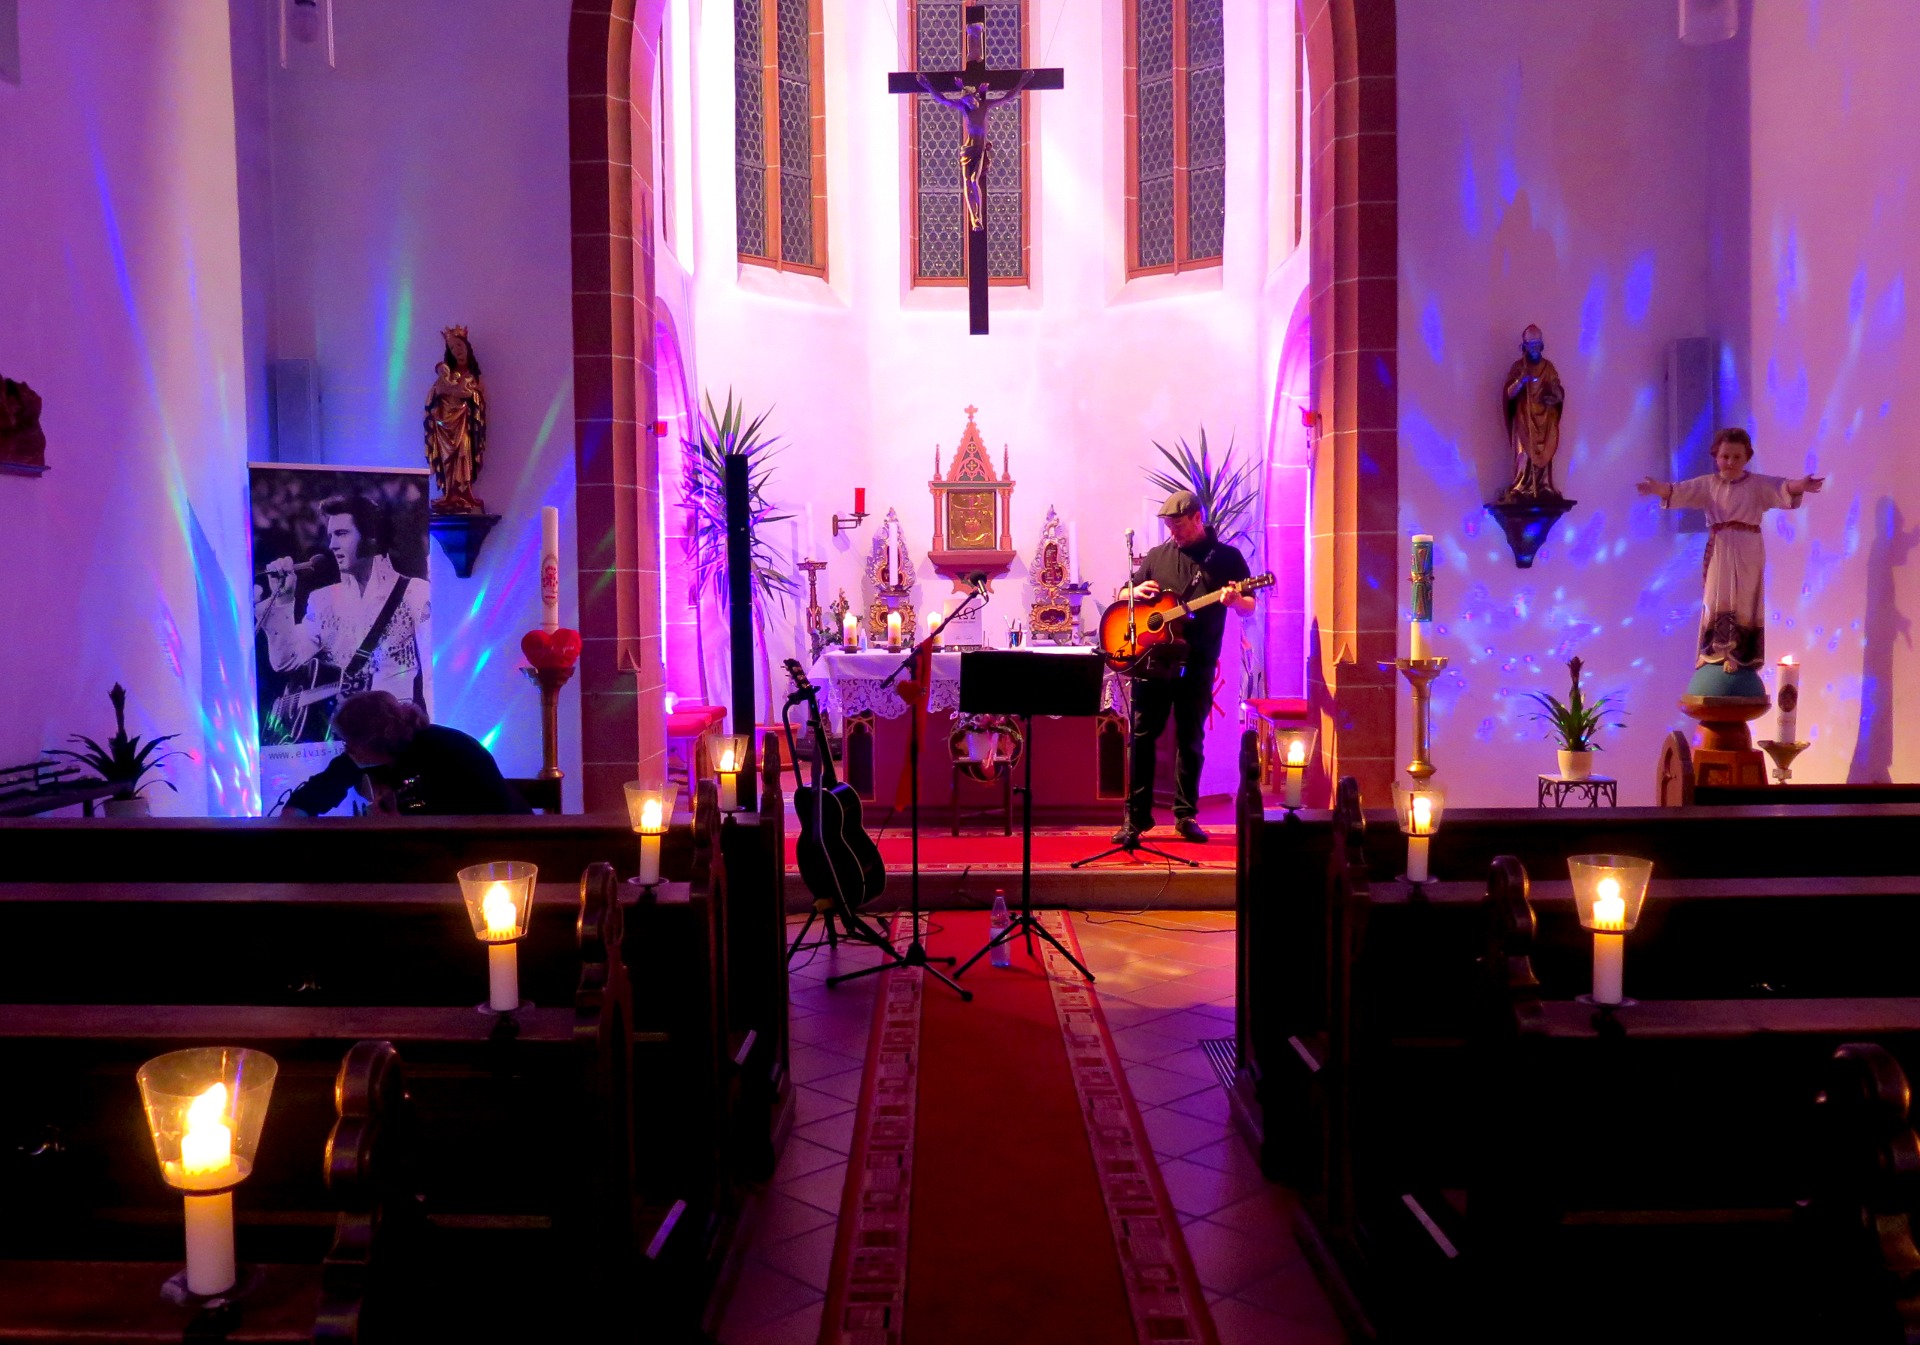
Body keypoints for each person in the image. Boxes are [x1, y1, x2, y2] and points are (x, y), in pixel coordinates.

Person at [1113, 490, 1255, 845]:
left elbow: (1249, 606)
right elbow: (1124, 595)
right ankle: (1136, 818)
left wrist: (1235, 600)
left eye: (1179, 525)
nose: (1173, 533)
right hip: (1154, 662)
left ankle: (1185, 815)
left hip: (1197, 661)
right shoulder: (1157, 556)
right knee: (1142, 738)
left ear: (1197, 518)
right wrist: (1131, 593)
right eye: (1169, 527)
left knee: (1191, 739)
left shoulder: (1226, 558)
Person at [1637, 428, 1824, 673]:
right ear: (1716, 456)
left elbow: (1781, 487)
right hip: (1721, 546)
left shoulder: (1757, 484)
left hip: (1748, 548)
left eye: (1737, 457)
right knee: (1716, 595)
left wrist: (1802, 484)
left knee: (1743, 599)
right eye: (1725, 456)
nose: (1730, 462)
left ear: (1746, 458)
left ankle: (1738, 653)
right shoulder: (1708, 484)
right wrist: (1657, 489)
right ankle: (1712, 650)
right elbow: (1680, 491)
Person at [258, 494, 431, 743]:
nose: (332, 545)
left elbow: (431, 675)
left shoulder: (415, 593)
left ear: (371, 539)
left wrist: (433, 735)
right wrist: (284, 600)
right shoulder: (322, 600)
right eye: (331, 536)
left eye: (341, 534)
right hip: (342, 737)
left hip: (396, 737)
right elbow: (287, 661)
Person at [282, 691, 529, 816]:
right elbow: (319, 790)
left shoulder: (445, 753)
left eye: (350, 741)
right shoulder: (375, 752)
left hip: (497, 848)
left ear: (373, 741)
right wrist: (297, 810)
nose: (347, 748)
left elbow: (423, 819)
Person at [424, 325, 488, 513]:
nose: (457, 350)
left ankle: (463, 493)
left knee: (463, 454)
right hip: (444, 425)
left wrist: (466, 395)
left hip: (464, 423)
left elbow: (475, 397)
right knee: (447, 459)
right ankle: (450, 494)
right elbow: (433, 397)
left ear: (467, 347)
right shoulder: (445, 378)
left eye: (459, 345)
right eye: (452, 348)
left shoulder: (472, 377)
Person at [1501, 324, 1565, 500]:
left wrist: (1555, 396)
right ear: (1525, 347)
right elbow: (1509, 393)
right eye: (1531, 346)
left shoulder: (1548, 367)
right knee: (1524, 453)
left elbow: (1557, 390)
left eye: (1538, 345)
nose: (1535, 350)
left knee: (1545, 450)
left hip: (1545, 418)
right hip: (1525, 417)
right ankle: (1523, 485)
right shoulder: (1519, 367)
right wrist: (1521, 381)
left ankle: (1544, 485)